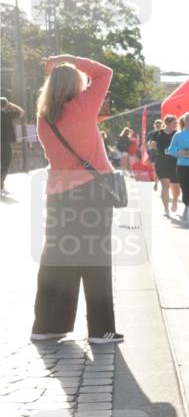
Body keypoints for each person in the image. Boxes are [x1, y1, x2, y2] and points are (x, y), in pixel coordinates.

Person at [31, 55, 125, 345]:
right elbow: (104, 73)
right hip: (91, 193)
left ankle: (47, 325)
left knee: (57, 258)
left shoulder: (44, 119)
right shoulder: (82, 108)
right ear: (76, 84)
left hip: (58, 195)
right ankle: (101, 330)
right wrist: (69, 59)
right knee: (95, 258)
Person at [152, 116, 180, 215]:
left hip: (175, 163)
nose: (176, 124)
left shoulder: (177, 134)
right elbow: (152, 145)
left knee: (176, 187)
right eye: (174, 122)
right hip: (162, 162)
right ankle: (166, 209)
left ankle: (175, 201)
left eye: (176, 123)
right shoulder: (158, 133)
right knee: (165, 184)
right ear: (167, 123)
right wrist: (155, 146)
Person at [1, 97, 25, 197]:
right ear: (5, 106)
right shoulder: (7, 115)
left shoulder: (6, 115)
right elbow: (21, 111)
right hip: (4, 145)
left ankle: (1, 187)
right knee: (5, 166)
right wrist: (10, 104)